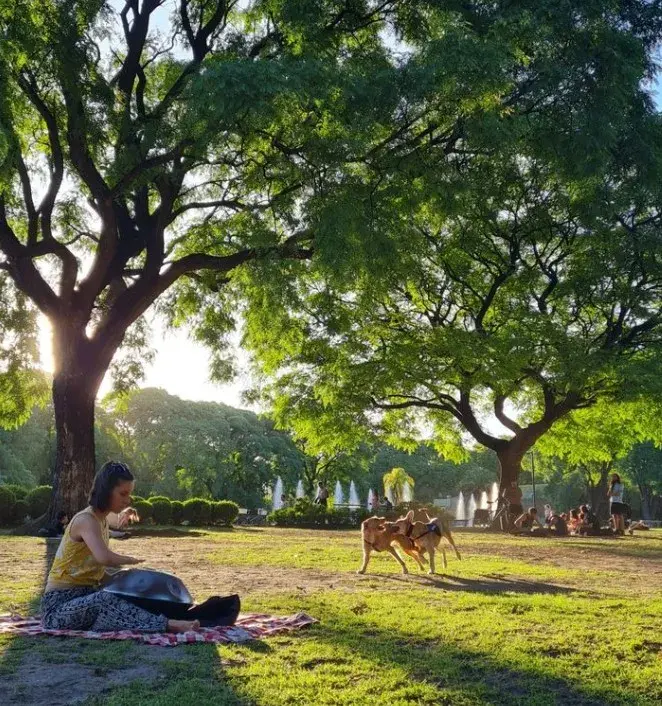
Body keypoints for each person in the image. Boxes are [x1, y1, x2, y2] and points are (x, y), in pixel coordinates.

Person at [41, 461, 199, 634]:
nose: (128, 499)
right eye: (123, 494)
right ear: (106, 491)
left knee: (124, 596)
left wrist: (134, 576)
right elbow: (104, 558)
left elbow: (96, 568)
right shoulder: (85, 520)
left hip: (85, 597)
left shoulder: (101, 519)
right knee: (106, 599)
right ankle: (169, 625)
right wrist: (130, 561)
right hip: (57, 609)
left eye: (129, 494)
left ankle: (164, 617)